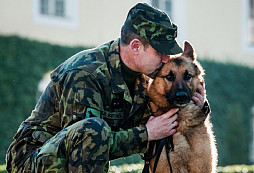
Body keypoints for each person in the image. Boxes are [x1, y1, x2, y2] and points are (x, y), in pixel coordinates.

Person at [6, 3, 209, 173]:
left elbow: (158, 120)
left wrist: (197, 105)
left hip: (71, 158)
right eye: (161, 52)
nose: (167, 59)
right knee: (94, 129)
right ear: (136, 46)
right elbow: (88, 140)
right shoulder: (86, 73)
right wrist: (146, 134)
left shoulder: (143, 78)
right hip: (32, 161)